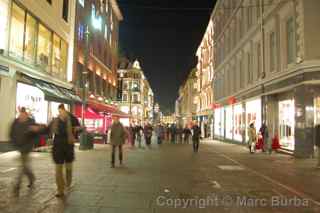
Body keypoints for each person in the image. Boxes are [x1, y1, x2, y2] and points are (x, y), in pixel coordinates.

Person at [49, 104, 81, 197]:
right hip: (58, 148)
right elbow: (48, 130)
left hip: (68, 148)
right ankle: (60, 190)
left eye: (62, 111)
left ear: (65, 111)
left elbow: (79, 129)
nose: (61, 113)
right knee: (58, 170)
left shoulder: (73, 119)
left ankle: (68, 182)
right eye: (59, 112)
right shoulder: (55, 121)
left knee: (68, 169)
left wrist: (78, 129)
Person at [10, 107, 42, 196]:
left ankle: (17, 185)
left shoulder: (31, 122)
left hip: (27, 147)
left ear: (26, 114)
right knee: (25, 166)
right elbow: (11, 133)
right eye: (20, 114)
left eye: (23, 114)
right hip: (20, 147)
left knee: (22, 166)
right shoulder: (16, 122)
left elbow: (37, 134)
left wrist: (34, 143)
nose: (21, 116)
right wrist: (14, 142)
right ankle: (31, 177)